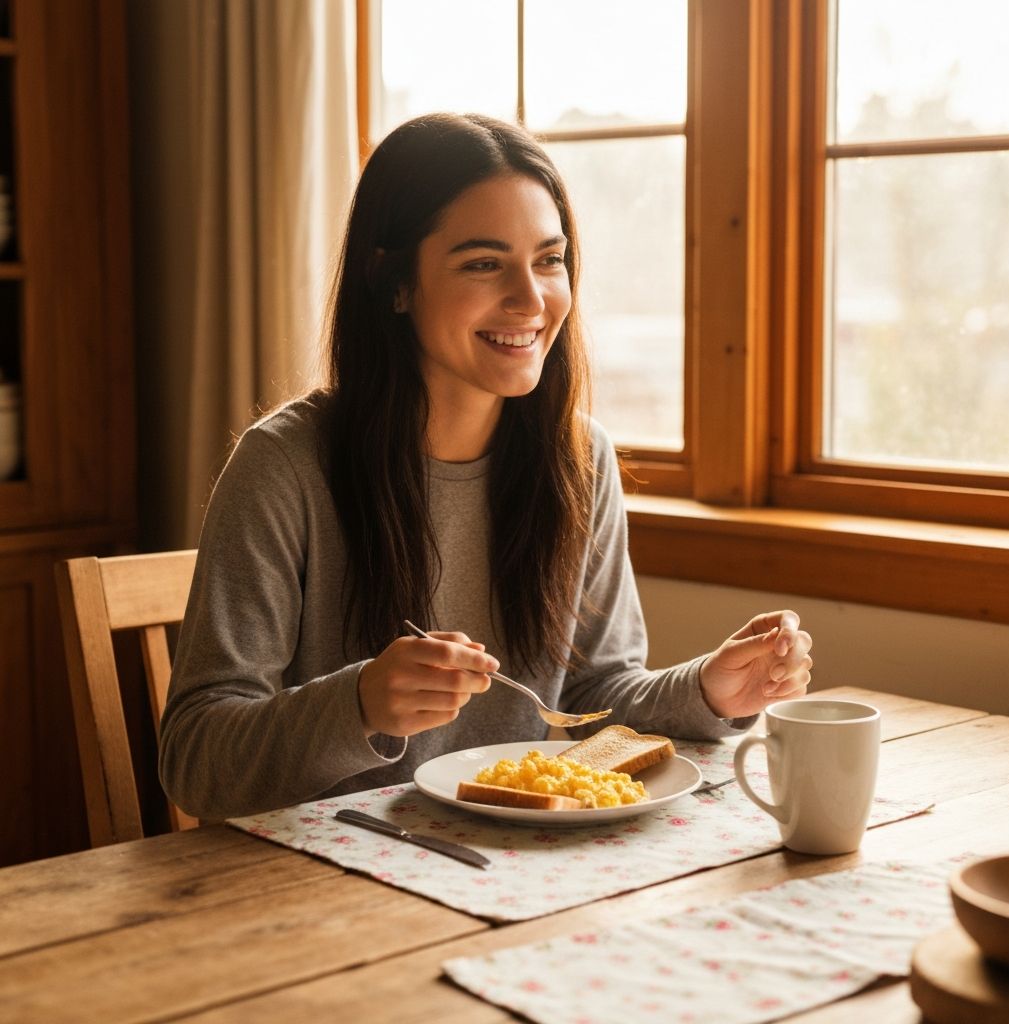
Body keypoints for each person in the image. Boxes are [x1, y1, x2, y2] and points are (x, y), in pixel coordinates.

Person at [159, 112, 812, 820]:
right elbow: (195, 763)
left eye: (549, 260)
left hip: (523, 871)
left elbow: (591, 700)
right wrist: (359, 705)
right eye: (482, 264)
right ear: (393, 280)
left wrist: (710, 690)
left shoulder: (579, 459)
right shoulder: (284, 468)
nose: (531, 300)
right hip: (323, 888)